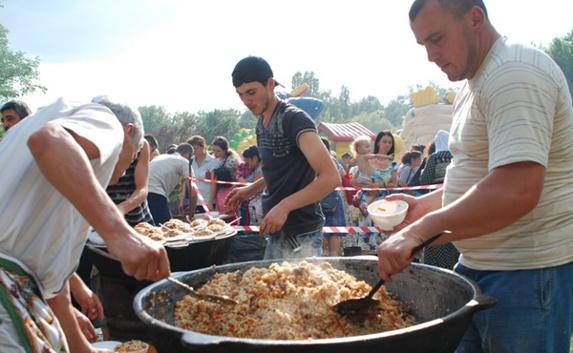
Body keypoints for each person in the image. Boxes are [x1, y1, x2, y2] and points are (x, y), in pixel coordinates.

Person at [378, 1, 573, 353]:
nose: (431, 55)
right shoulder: (474, 83)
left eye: (437, 39)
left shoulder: (513, 72)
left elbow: (517, 189)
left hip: (526, 274)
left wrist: (419, 232)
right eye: (424, 45)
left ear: (475, 18)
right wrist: (422, 208)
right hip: (478, 269)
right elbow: (480, 177)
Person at [0, 97, 170, 353]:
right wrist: (121, 234)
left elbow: (48, 274)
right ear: (128, 132)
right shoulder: (107, 120)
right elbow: (48, 142)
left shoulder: (41, 140)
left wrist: (82, 347)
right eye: (132, 156)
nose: (123, 172)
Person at [226, 56, 340, 259]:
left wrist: (284, 206)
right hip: (276, 231)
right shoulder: (261, 123)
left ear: (270, 84)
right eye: (240, 95)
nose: (246, 101)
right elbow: (280, 172)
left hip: (301, 235)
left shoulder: (294, 119)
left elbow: (331, 178)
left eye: (252, 92)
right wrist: (250, 190)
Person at [147, 143, 193, 224]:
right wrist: (192, 210)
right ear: (187, 154)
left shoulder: (161, 157)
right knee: (167, 226)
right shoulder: (184, 162)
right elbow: (192, 189)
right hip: (156, 193)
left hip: (144, 193)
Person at [187, 135, 219, 214]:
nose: (194, 151)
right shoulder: (190, 162)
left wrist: (210, 202)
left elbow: (213, 183)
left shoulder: (213, 161)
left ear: (203, 146)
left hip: (208, 202)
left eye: (196, 148)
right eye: (192, 149)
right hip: (195, 202)